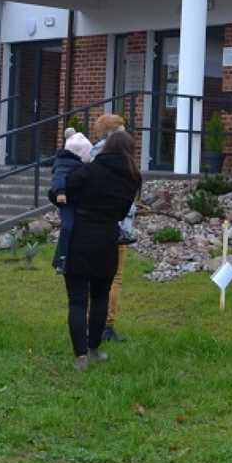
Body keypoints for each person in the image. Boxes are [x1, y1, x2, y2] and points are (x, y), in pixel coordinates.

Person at [62, 129, 142, 370]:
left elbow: (67, 189)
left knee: (77, 300)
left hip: (80, 236)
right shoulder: (133, 178)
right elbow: (122, 212)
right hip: (108, 239)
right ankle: (94, 349)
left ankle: (80, 357)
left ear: (106, 148)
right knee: (100, 297)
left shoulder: (89, 169)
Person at [89, 113, 137, 341]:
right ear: (114, 132)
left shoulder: (92, 156)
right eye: (122, 128)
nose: (126, 131)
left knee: (94, 276)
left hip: (93, 225)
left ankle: (91, 322)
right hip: (118, 227)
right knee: (114, 277)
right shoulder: (122, 158)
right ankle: (107, 325)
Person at [48, 128, 92, 272]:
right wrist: (60, 192)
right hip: (67, 202)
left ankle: (66, 258)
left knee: (75, 228)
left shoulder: (80, 164)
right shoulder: (65, 163)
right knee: (67, 227)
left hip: (77, 201)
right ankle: (62, 259)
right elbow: (58, 177)